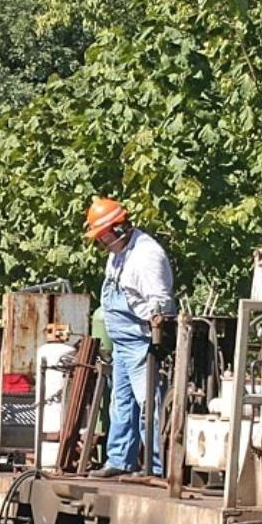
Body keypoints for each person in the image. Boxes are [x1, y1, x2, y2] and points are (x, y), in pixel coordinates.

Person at [85, 197, 176, 477]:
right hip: (122, 343)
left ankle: (156, 466)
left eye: (102, 237)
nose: (100, 243)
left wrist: (156, 339)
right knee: (121, 403)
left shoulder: (147, 256)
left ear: (117, 229)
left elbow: (161, 304)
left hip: (140, 340)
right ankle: (119, 460)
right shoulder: (118, 253)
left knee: (149, 403)